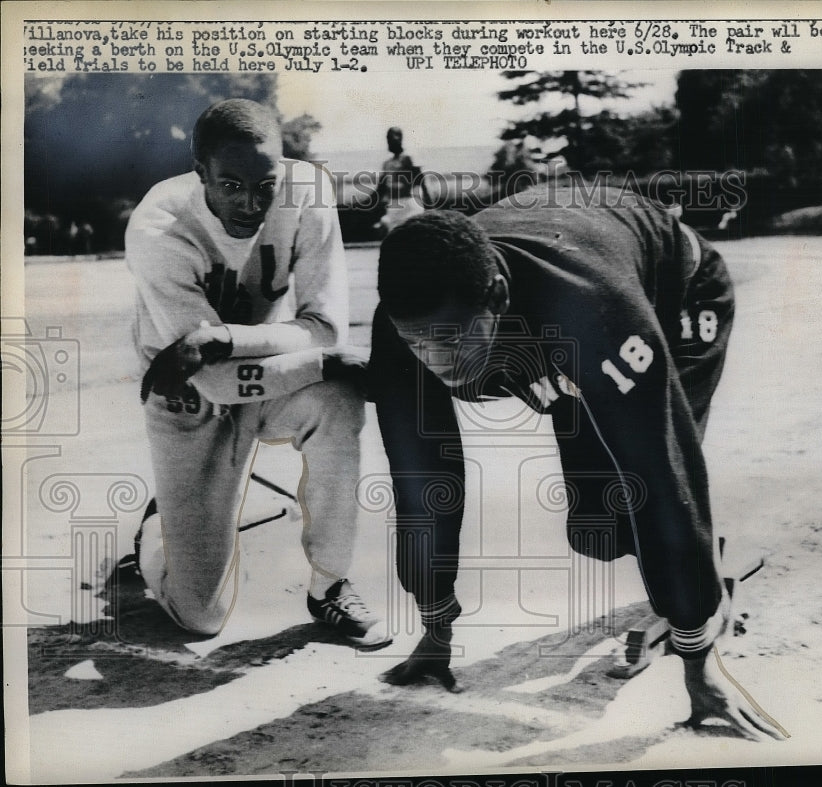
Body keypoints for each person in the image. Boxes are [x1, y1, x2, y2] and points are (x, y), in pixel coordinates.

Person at [368, 186, 785, 739]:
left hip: (676, 294)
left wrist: (697, 659)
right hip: (561, 295)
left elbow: (659, 476)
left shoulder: (593, 308)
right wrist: (435, 626)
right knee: (598, 532)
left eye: (454, 340)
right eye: (421, 346)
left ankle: (702, 596)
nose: (443, 366)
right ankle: (691, 577)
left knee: (643, 498)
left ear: (495, 296)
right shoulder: (407, 324)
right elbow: (420, 481)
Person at [121, 98, 390, 650]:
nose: (251, 202)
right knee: (200, 617)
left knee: (338, 395)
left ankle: (330, 584)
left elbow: (326, 328)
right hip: (189, 399)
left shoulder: (308, 192)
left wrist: (225, 338)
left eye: (265, 184)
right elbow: (216, 380)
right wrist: (316, 355)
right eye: (231, 185)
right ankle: (157, 529)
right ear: (201, 176)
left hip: (273, 376)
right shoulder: (159, 225)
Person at [372, 126, 425, 236]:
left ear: (399, 138)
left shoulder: (409, 158)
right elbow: (381, 189)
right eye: (387, 139)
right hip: (393, 206)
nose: (389, 142)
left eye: (391, 138)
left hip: (409, 204)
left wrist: (430, 206)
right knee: (394, 242)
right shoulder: (387, 164)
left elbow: (421, 180)